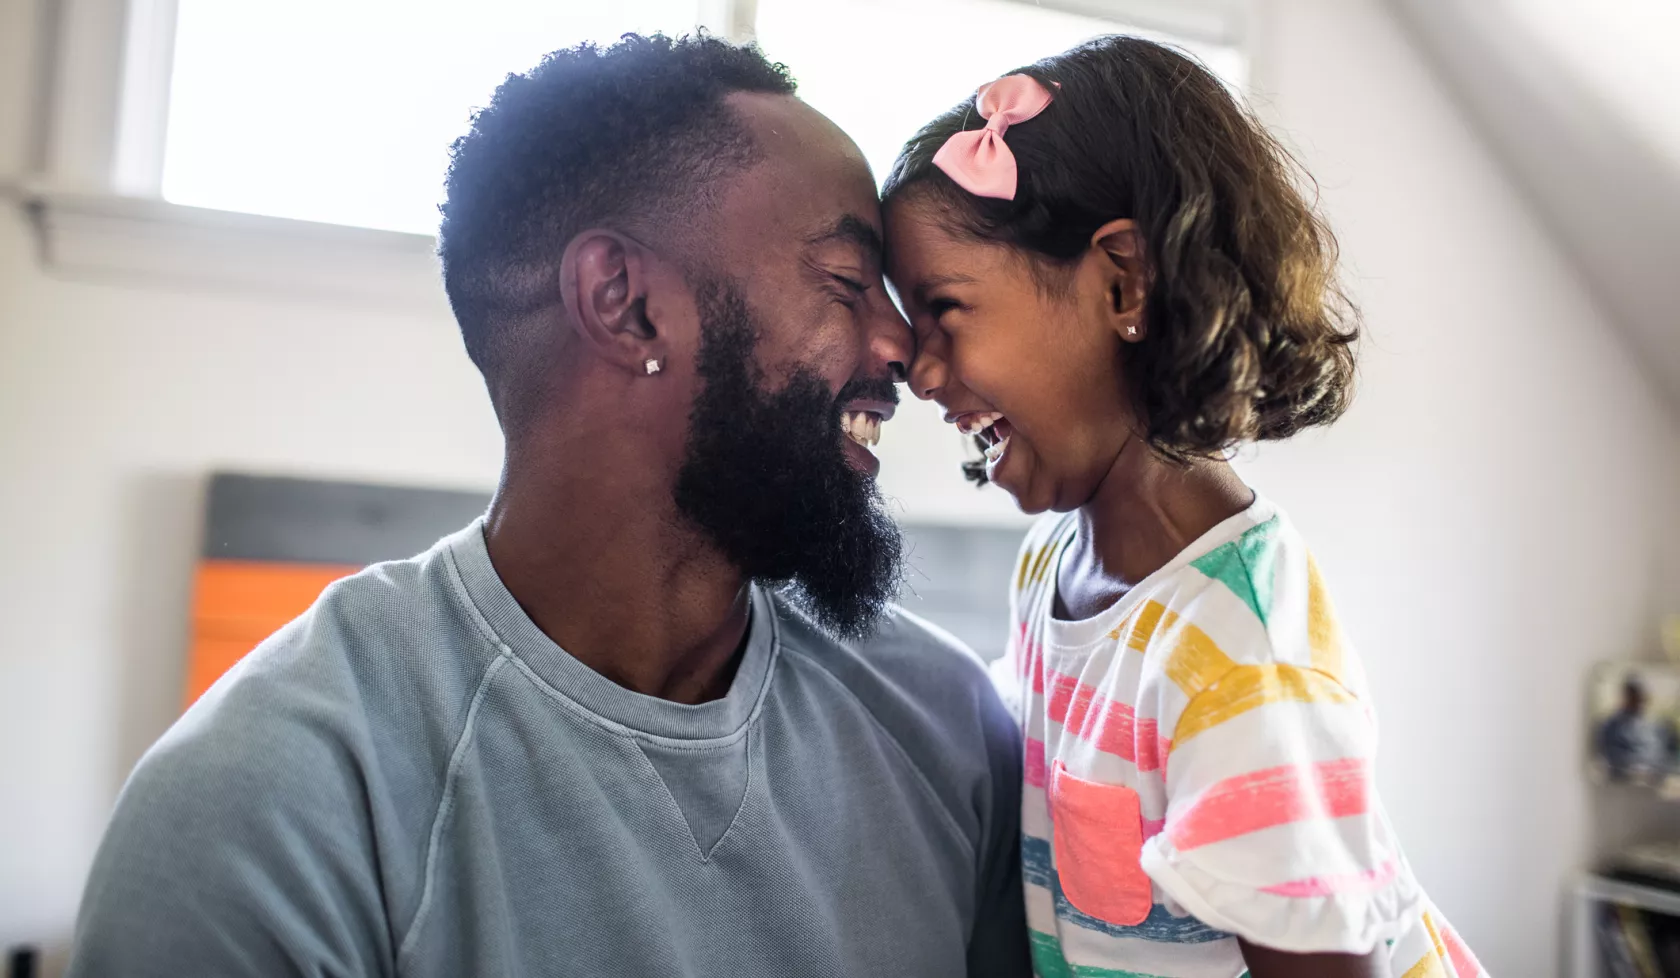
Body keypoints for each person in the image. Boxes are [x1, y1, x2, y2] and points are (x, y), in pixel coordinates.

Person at [68, 35, 1030, 977]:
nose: (906, 348)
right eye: (848, 284)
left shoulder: (947, 729)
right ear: (625, 303)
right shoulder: (265, 809)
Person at [882, 36, 1487, 978]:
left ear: (1123, 282)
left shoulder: (1239, 655)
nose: (919, 372)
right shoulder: (1057, 561)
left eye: (946, 311)